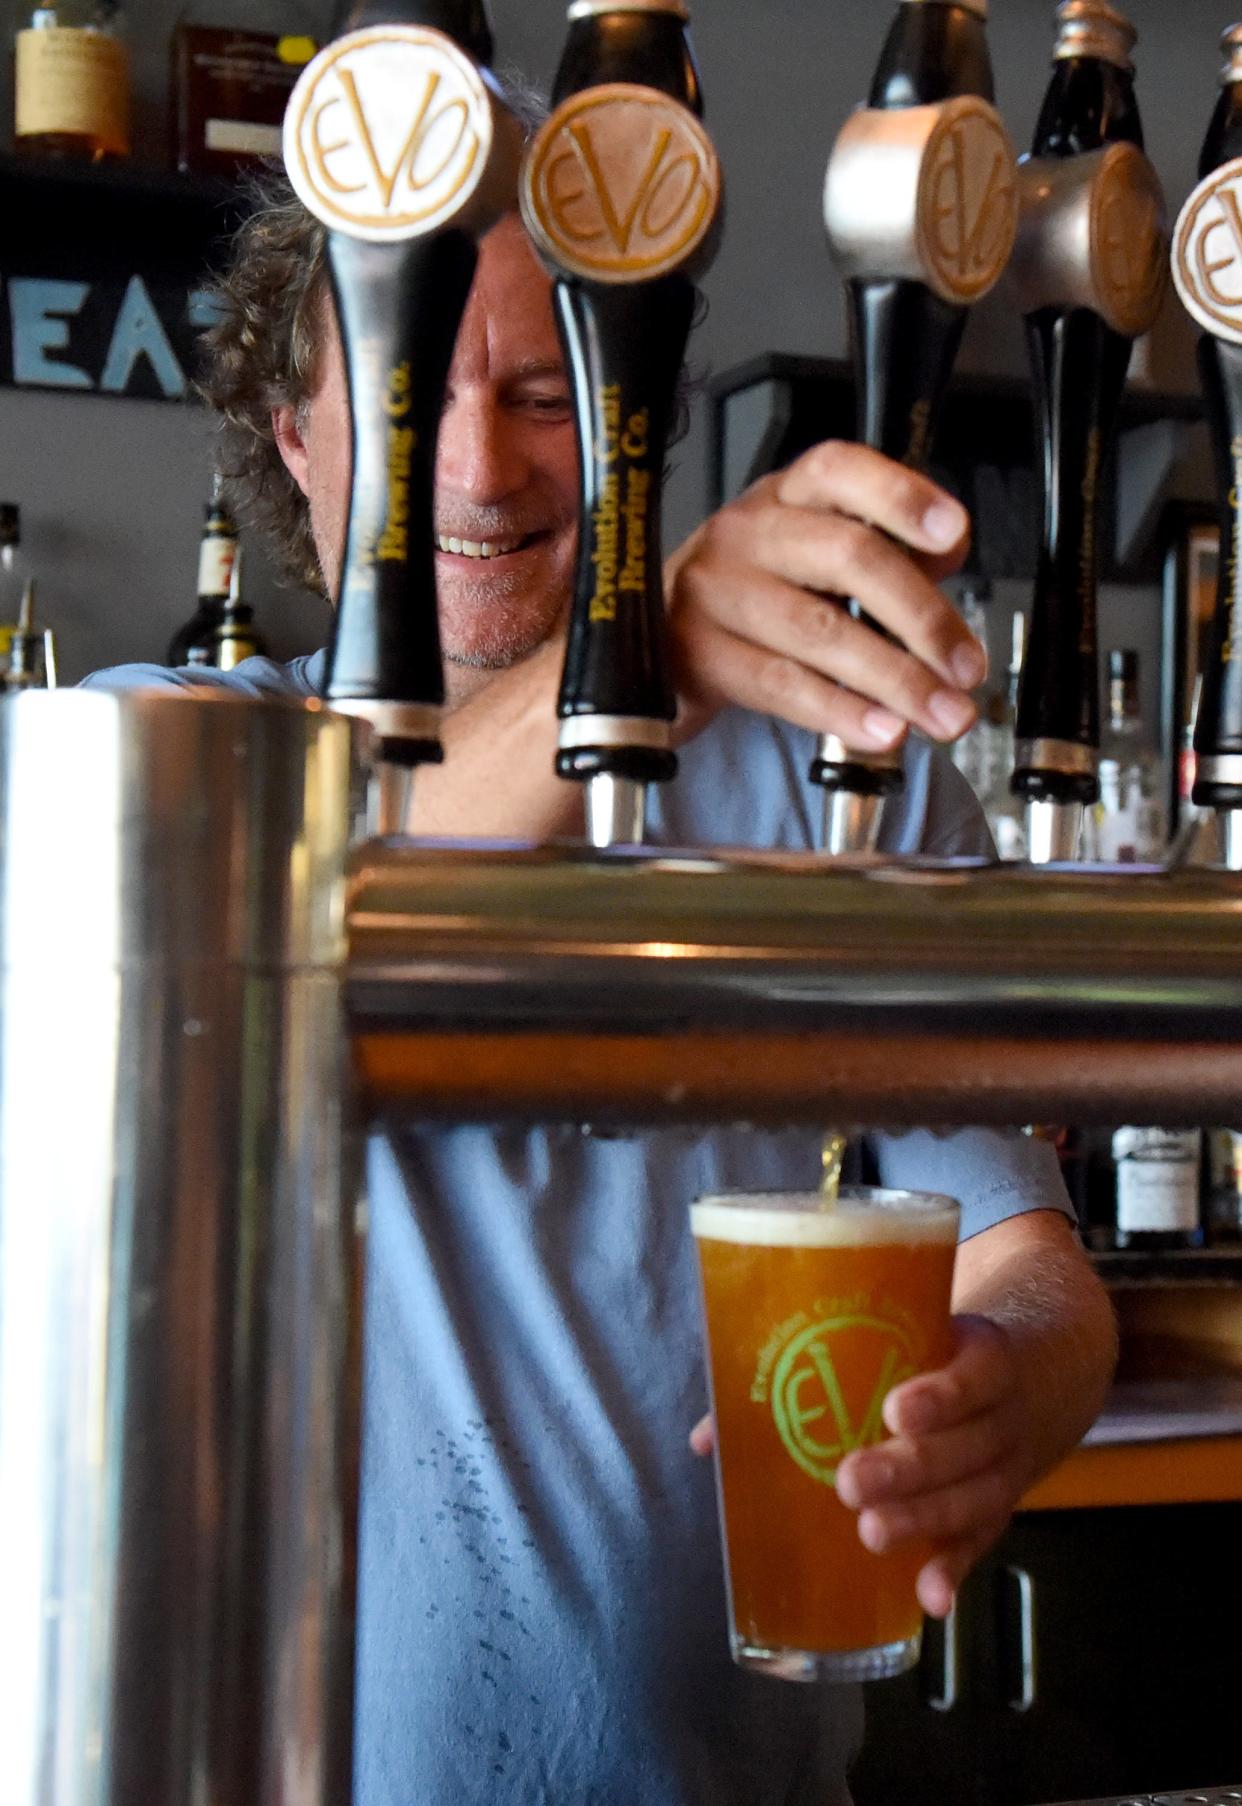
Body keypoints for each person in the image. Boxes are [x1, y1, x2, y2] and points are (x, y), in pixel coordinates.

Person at [86, 174, 1117, 1805]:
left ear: (632, 423)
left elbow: (1025, 1258)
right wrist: (639, 651)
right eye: (416, 396)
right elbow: (304, 883)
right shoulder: (159, 768)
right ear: (297, 440)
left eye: (551, 394)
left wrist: (1002, 1386)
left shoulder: (836, 790)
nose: (483, 469)